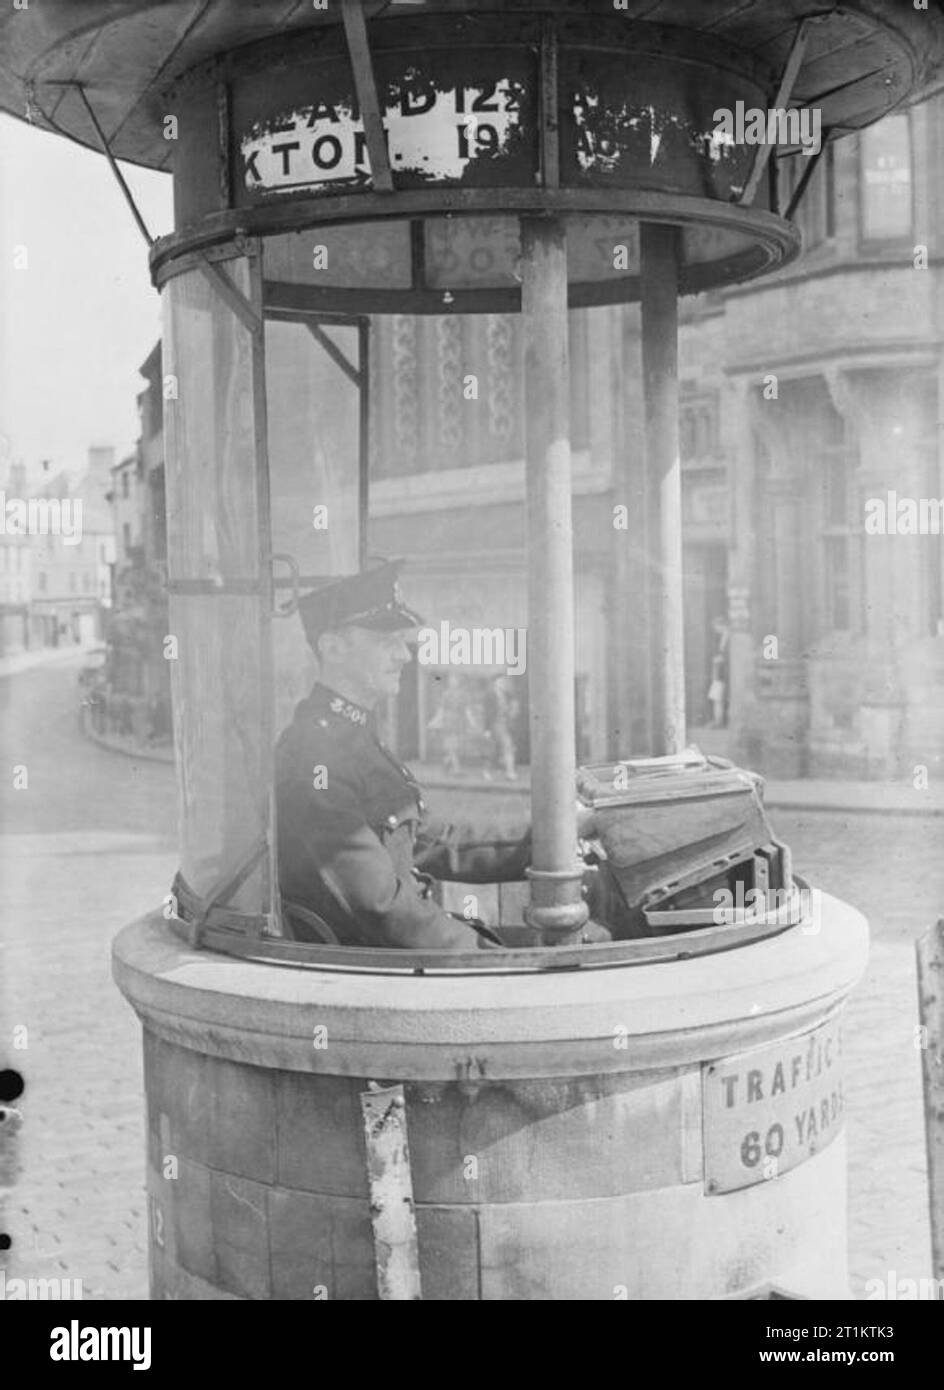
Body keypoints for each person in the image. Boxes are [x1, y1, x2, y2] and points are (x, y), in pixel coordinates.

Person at [274, 562, 539, 950]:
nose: (405, 655)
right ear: (332, 647)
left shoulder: (353, 739)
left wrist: (553, 838)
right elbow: (379, 907)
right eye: (387, 641)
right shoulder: (316, 757)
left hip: (408, 950)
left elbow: (431, 839)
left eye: (403, 640)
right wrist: (491, 956)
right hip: (381, 969)